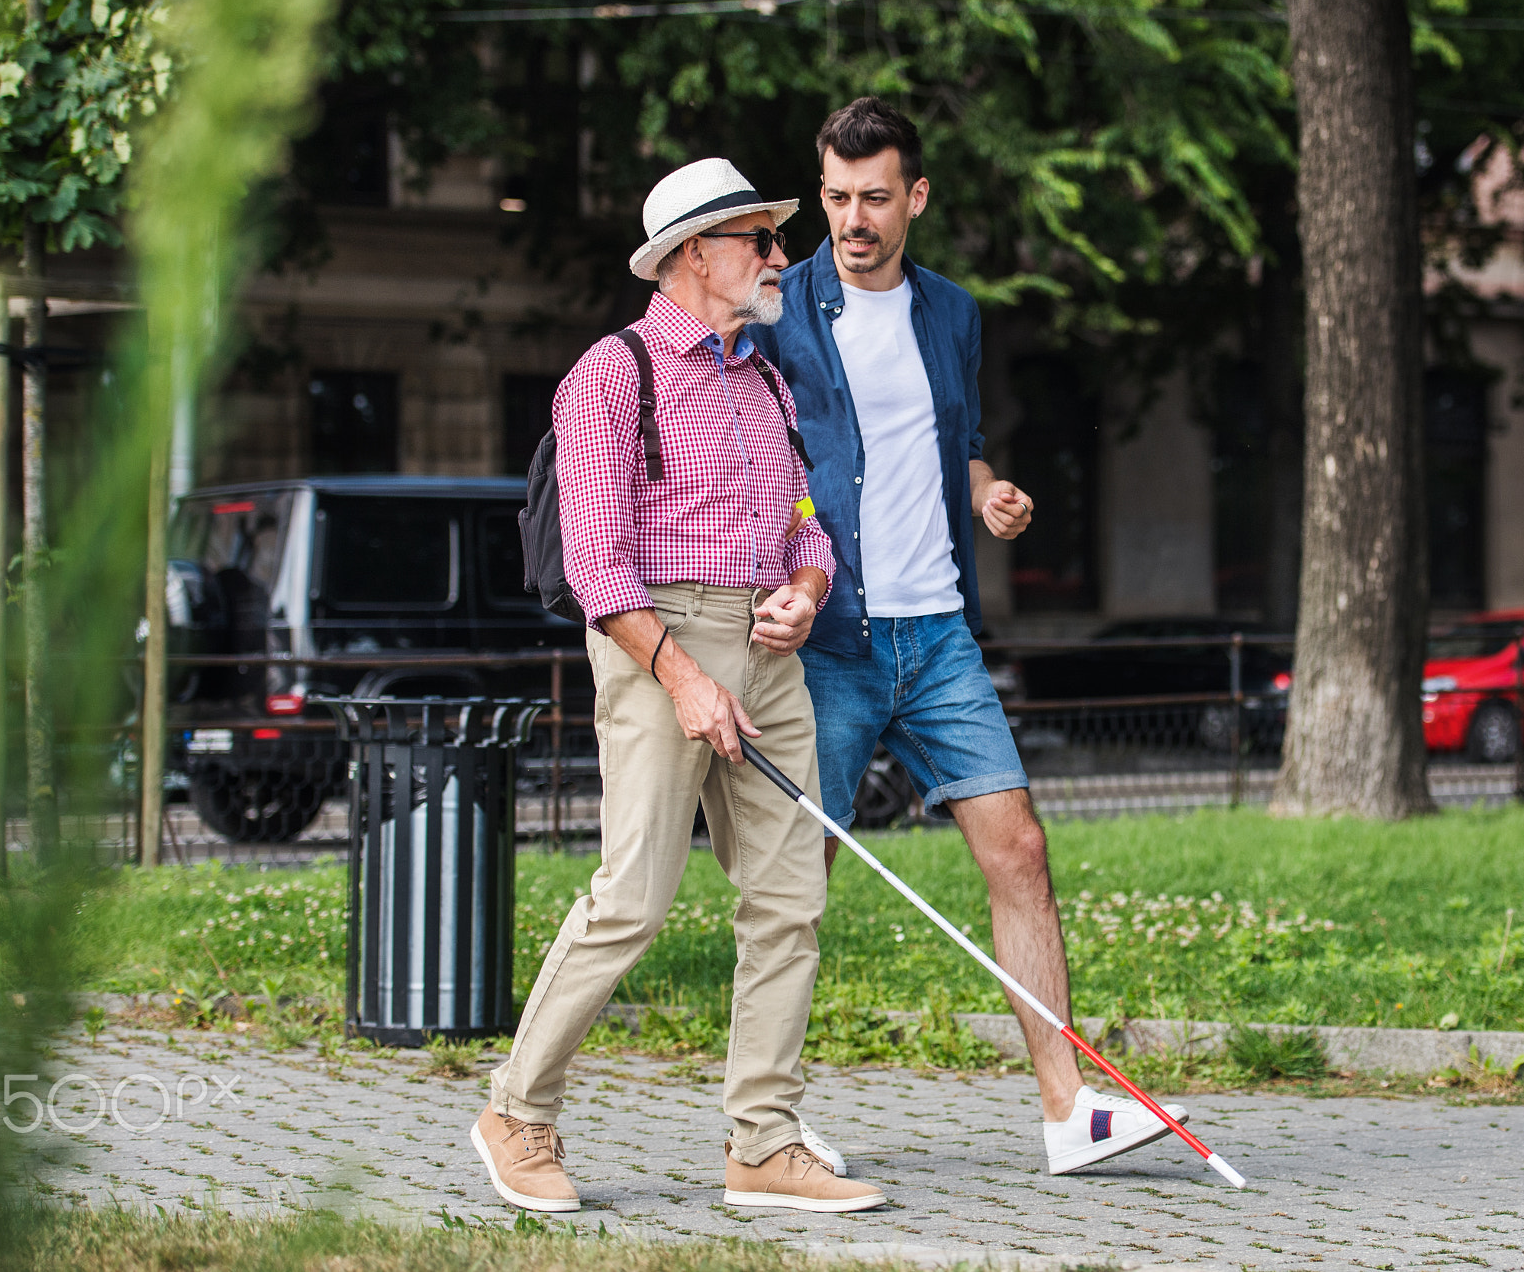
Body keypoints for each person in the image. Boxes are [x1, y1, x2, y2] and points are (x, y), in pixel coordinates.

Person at [750, 99, 1187, 1177]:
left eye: (873, 199)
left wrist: (990, 495)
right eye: (836, 198)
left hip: (938, 631)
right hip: (833, 640)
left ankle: (1066, 1111)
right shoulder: (779, 310)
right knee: (794, 875)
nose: (851, 220)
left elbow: (964, 445)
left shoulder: (951, 312)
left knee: (1019, 848)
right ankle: (765, 1119)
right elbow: (752, 460)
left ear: (916, 198)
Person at [472, 157, 886, 1216]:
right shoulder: (612, 375)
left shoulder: (767, 379)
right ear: (693, 254)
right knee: (633, 899)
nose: (778, 257)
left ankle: (762, 1143)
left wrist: (803, 584)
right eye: (759, 238)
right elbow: (594, 563)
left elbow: (805, 521)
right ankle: (516, 1114)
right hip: (656, 638)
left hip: (766, 640)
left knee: (789, 899)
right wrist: (683, 676)